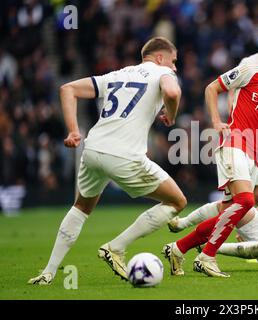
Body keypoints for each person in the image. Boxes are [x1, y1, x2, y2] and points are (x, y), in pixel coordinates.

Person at [28, 37, 187, 285]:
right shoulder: (162, 72)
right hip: (124, 155)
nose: (174, 68)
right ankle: (116, 247)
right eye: (173, 61)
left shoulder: (117, 74)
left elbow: (67, 89)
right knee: (177, 201)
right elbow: (172, 91)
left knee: (81, 207)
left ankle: (48, 272)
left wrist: (72, 131)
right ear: (159, 58)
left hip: (92, 150)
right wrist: (171, 114)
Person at [162, 35, 258, 278]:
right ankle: (207, 256)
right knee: (246, 201)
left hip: (256, 153)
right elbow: (212, 88)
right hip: (235, 142)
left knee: (232, 210)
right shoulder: (251, 70)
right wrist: (216, 121)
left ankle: (178, 248)